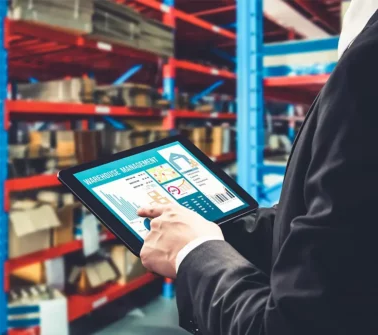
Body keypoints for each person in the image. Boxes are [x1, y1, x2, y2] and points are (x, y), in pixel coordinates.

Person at [137, 2, 378, 334]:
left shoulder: (369, 62)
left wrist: (194, 252)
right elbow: (340, 226)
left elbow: (294, 326)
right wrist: (215, 226)